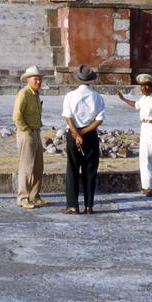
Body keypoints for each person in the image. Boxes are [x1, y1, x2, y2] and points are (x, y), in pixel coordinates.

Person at [61, 65, 105, 214]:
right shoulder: (98, 97)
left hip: (73, 135)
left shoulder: (70, 96)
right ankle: (89, 206)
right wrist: (84, 132)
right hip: (90, 134)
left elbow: (68, 118)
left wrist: (77, 134)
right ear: (90, 80)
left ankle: (73, 205)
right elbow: (99, 120)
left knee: (72, 169)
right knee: (90, 171)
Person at [118, 73, 152, 197]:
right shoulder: (143, 99)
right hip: (144, 127)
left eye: (146, 86)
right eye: (141, 86)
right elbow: (136, 105)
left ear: (151, 86)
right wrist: (123, 99)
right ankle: (146, 186)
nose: (144, 88)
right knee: (144, 158)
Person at [12, 65, 46, 210]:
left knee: (38, 166)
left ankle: (34, 195)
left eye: (39, 79)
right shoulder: (23, 94)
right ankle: (23, 197)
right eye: (35, 79)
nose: (38, 82)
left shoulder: (36, 94)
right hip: (27, 133)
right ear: (28, 79)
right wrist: (26, 130)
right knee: (26, 167)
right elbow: (16, 116)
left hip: (36, 132)